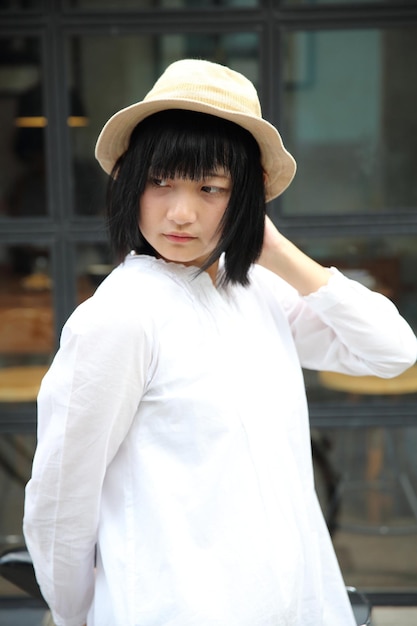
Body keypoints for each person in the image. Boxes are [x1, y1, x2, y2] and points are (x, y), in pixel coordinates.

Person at [23, 59, 417, 626]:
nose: (181, 213)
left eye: (211, 187)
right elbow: (61, 498)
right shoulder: (122, 317)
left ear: (247, 197)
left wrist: (277, 252)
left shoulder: (254, 289)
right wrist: (78, 612)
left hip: (295, 601)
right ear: (131, 184)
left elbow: (392, 349)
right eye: (161, 182)